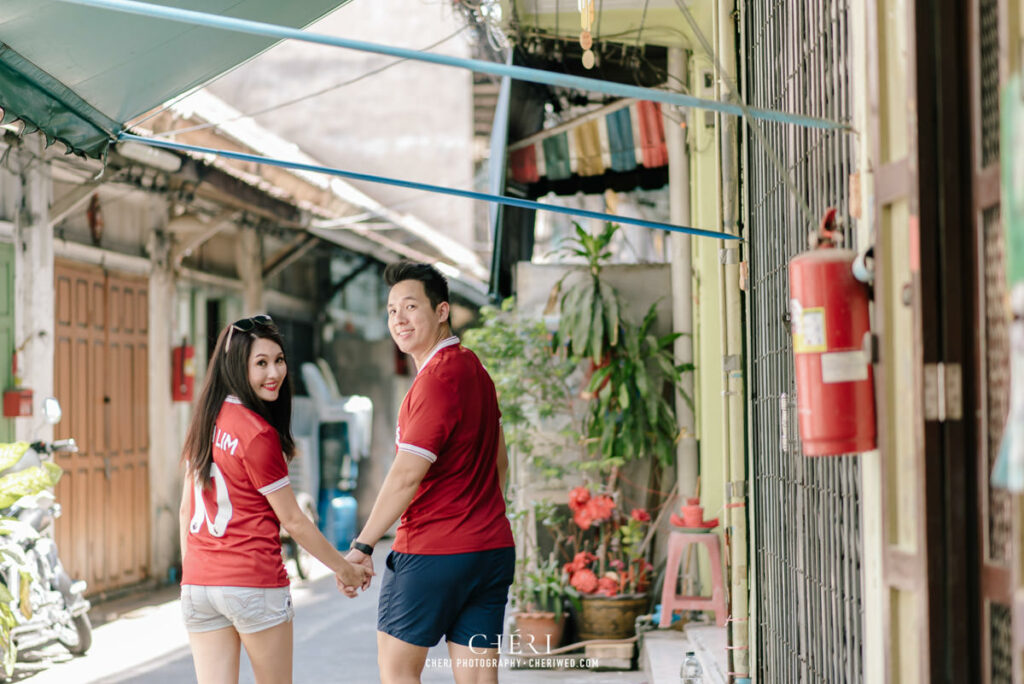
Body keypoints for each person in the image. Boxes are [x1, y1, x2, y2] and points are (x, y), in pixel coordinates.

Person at [343, 261, 515, 684]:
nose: (398, 319)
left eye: (410, 307)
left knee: (398, 672)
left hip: (434, 551)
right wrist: (479, 516)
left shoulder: (436, 380)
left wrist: (362, 546)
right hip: (490, 550)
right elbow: (501, 462)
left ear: (441, 311)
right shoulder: (475, 369)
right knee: (477, 678)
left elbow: (406, 475)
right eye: (390, 310)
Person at [179, 314, 371, 684]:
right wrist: (345, 569)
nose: (275, 373)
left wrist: (194, 575)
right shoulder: (256, 434)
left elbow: (187, 509)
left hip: (200, 586)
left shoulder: (205, 421)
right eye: (261, 363)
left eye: (279, 360)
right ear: (237, 366)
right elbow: (294, 520)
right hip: (253, 584)